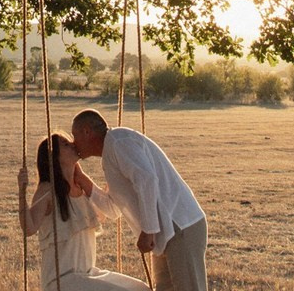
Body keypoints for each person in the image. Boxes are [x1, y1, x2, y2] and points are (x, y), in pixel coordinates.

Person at [69, 108, 208, 291]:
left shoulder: (120, 141)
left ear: (87, 131)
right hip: (167, 231)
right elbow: (113, 209)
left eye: (75, 135)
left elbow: (147, 180)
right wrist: (83, 181)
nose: (73, 143)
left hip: (180, 226)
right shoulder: (111, 153)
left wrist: (148, 231)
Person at [18, 132, 151, 291]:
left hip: (87, 274)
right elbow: (29, 228)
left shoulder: (80, 188)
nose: (73, 144)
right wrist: (22, 191)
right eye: (66, 144)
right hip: (62, 280)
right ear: (54, 157)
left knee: (141, 288)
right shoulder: (48, 190)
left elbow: (103, 214)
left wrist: (98, 179)